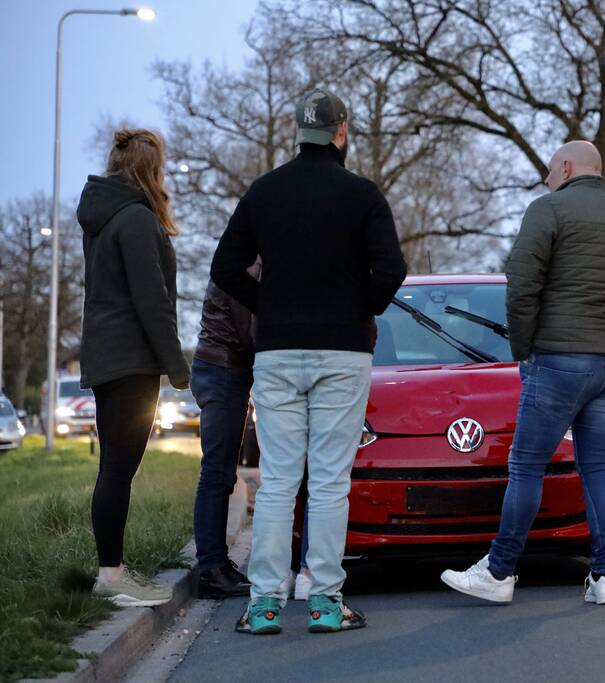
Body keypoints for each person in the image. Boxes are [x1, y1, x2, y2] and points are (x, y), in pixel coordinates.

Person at [211, 88, 407, 635]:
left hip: (277, 351)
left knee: (276, 480)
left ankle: (264, 606)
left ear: (299, 133)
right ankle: (324, 603)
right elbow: (391, 270)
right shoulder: (362, 196)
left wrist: (269, 305)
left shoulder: (264, 192)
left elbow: (225, 268)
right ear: (341, 133)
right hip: (342, 353)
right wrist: (355, 308)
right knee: (328, 482)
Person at [440, 140, 605, 605]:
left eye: (548, 170)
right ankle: (604, 577)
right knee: (597, 466)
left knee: (526, 466)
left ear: (565, 166)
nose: (545, 178)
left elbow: (522, 285)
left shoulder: (548, 210)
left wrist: (524, 349)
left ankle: (498, 572)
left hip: (557, 359)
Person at [78, 128, 190, 606]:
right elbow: (154, 302)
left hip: (108, 357)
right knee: (118, 470)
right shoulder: (136, 220)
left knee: (113, 467)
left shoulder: (103, 217)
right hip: (131, 361)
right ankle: (111, 576)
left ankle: (113, 570)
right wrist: (178, 367)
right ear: (151, 168)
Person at [192, 261, 260, 599]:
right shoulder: (248, 261)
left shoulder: (247, 256)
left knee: (221, 472)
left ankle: (217, 563)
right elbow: (250, 328)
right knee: (217, 472)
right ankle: (210, 569)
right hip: (222, 369)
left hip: (223, 367)